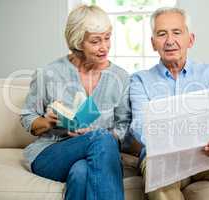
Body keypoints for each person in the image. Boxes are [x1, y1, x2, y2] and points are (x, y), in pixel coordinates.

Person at [129, 7, 209, 200]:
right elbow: (139, 124)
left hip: (208, 157)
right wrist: (172, 143)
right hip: (165, 159)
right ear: (152, 43)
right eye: (161, 34)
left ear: (190, 39)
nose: (170, 41)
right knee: (156, 173)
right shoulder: (140, 80)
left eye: (177, 32)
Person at [20, 5, 130, 200]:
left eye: (107, 38)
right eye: (95, 41)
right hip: (52, 153)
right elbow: (28, 117)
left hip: (99, 156)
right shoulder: (49, 73)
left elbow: (124, 126)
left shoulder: (120, 77)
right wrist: (48, 122)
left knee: (81, 173)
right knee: (100, 137)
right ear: (78, 42)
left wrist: (108, 136)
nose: (104, 46)